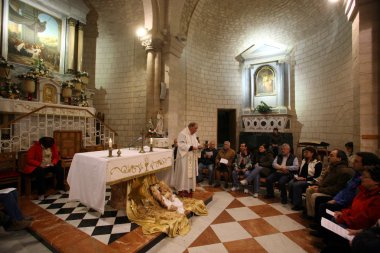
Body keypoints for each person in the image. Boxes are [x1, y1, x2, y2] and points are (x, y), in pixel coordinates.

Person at [305, 149, 354, 218]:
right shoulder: (332, 167)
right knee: (309, 190)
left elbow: (337, 189)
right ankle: (311, 214)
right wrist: (317, 186)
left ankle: (316, 217)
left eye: (331, 156)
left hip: (334, 194)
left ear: (339, 158)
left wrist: (319, 190)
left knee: (315, 195)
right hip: (326, 189)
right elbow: (324, 181)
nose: (328, 157)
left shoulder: (343, 171)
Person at [172, 122, 202, 197]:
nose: (196, 130)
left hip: (191, 157)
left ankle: (189, 187)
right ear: (190, 127)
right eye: (195, 128)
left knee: (190, 174)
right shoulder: (182, 134)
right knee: (184, 173)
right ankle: (182, 189)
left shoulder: (193, 135)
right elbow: (181, 145)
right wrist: (191, 147)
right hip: (184, 158)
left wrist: (199, 146)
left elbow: (196, 143)